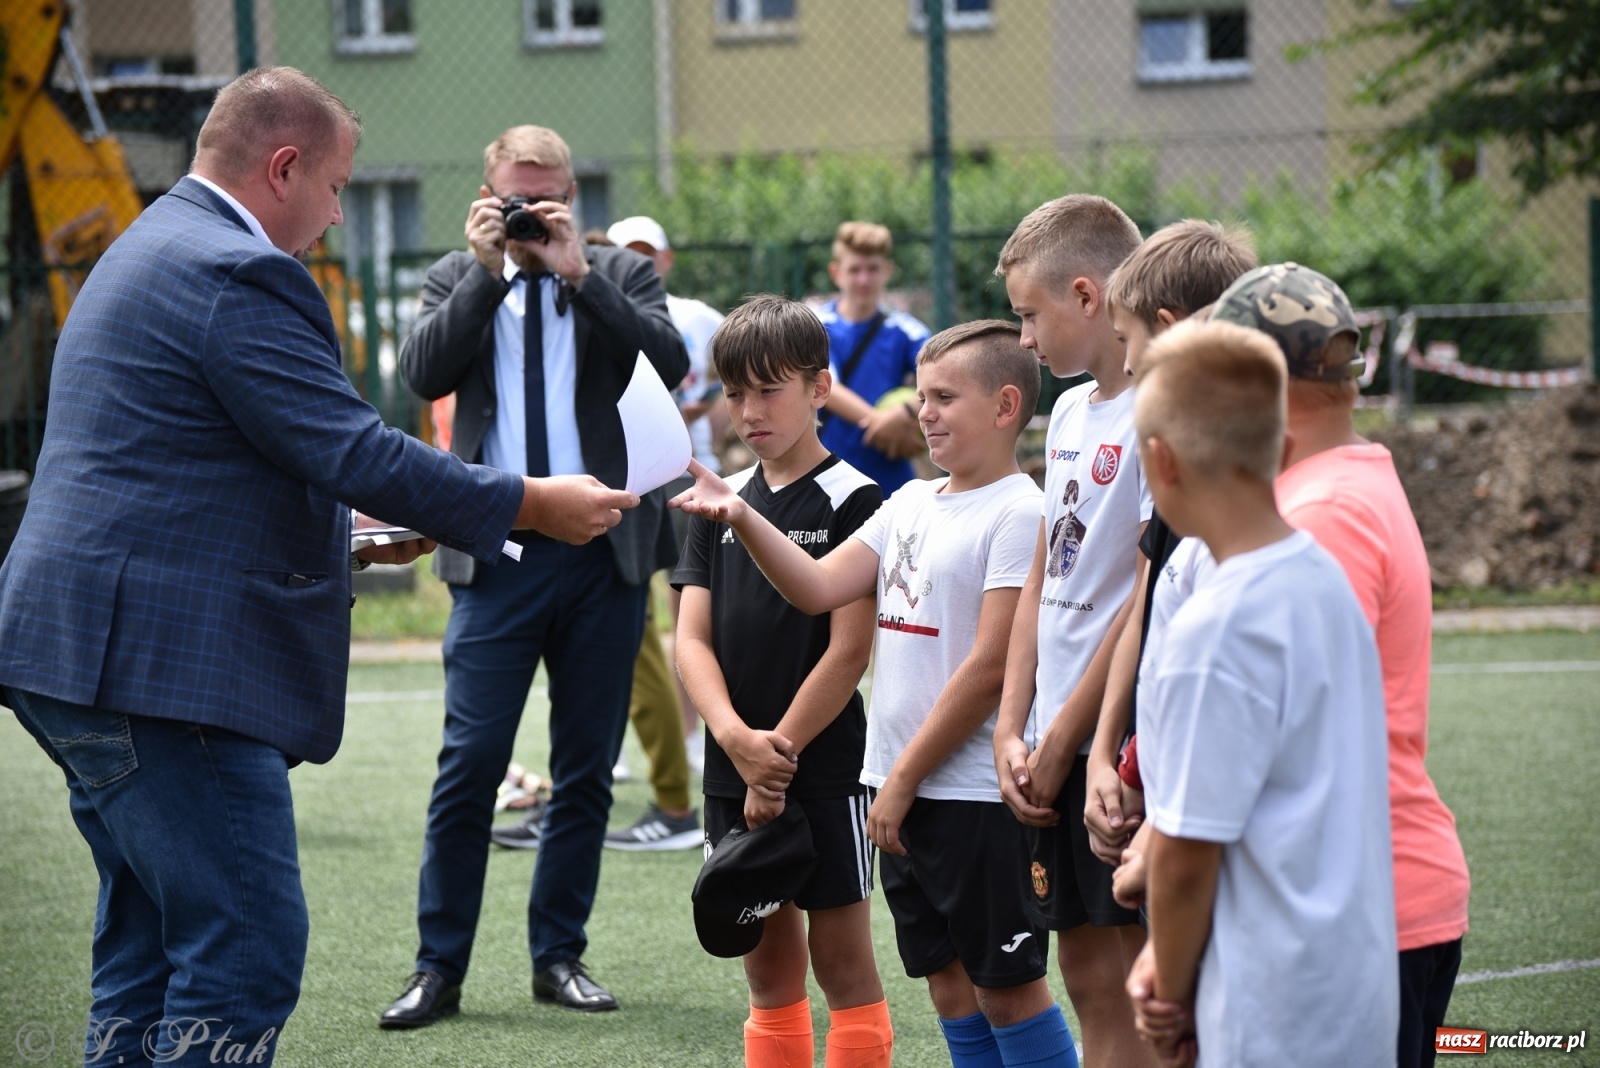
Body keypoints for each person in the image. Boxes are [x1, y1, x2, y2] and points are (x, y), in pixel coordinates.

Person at [0, 68, 633, 1068]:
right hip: (160, 670)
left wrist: (347, 531)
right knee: (245, 948)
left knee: (148, 945)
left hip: (75, 646)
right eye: (338, 187)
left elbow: (182, 466)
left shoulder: (146, 246)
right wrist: (530, 502)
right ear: (283, 167)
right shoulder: (237, 269)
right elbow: (353, 447)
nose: (337, 214)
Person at [675, 320, 1081, 1068]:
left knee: (1005, 989)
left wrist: (897, 779)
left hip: (962, 791)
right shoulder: (911, 501)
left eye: (943, 397)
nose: (922, 412)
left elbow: (990, 665)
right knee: (952, 989)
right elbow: (818, 586)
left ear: (1004, 406)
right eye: (920, 396)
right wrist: (741, 516)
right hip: (899, 788)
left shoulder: (1020, 509)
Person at [385, 123, 688, 1025]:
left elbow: (669, 364)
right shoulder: (456, 274)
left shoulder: (617, 272)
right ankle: (438, 968)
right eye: (514, 194)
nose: (528, 210)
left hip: (605, 552)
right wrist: (487, 273)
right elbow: (421, 370)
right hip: (497, 549)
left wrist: (579, 274)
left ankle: (558, 956)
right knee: (468, 765)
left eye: (546, 193)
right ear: (485, 191)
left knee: (587, 768)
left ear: (572, 194)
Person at [1211, 263, 1471, 1068]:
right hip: (1368, 894)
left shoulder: (1324, 510)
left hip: (1361, 902)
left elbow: (1288, 717)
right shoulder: (1344, 481)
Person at [1123, 318, 1398, 1067]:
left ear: (1160, 461)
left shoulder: (1214, 627)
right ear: (1279, 452)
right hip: (1353, 993)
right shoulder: (1323, 578)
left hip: (1265, 1011)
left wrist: (1168, 990)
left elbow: (1184, 857)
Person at [673, 295, 891, 1067]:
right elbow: (690, 641)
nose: (750, 410)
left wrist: (781, 754)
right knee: (766, 969)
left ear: (819, 389)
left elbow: (848, 652)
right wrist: (737, 745)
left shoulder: (856, 499)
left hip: (824, 772)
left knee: (843, 966)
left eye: (770, 389)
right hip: (733, 771)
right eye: (736, 393)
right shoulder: (715, 502)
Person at [990, 194, 1154, 1067]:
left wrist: (1068, 738)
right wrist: (1013, 724)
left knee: (1142, 978)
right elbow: (1045, 573)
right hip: (1047, 732)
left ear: (1088, 297)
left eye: (1029, 314)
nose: (1023, 337)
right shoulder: (1070, 414)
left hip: (1108, 738)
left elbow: (1145, 585)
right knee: (1086, 975)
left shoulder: (1158, 411)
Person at [1079, 220, 1257, 869]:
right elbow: (1148, 615)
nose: (1125, 362)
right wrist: (1108, 756)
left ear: (1169, 323)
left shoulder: (1238, 495)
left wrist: (1132, 773)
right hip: (1149, 779)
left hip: (1193, 806)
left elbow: (1208, 674)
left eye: (1128, 338)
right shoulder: (1181, 471)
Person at [815, 221, 931, 494]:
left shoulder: (906, 330)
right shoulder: (816, 325)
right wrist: (880, 423)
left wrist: (904, 412)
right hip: (829, 467)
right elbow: (828, 388)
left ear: (887, 271)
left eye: (873, 269)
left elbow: (946, 379)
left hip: (890, 470)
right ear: (836, 273)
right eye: (854, 270)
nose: (864, 279)